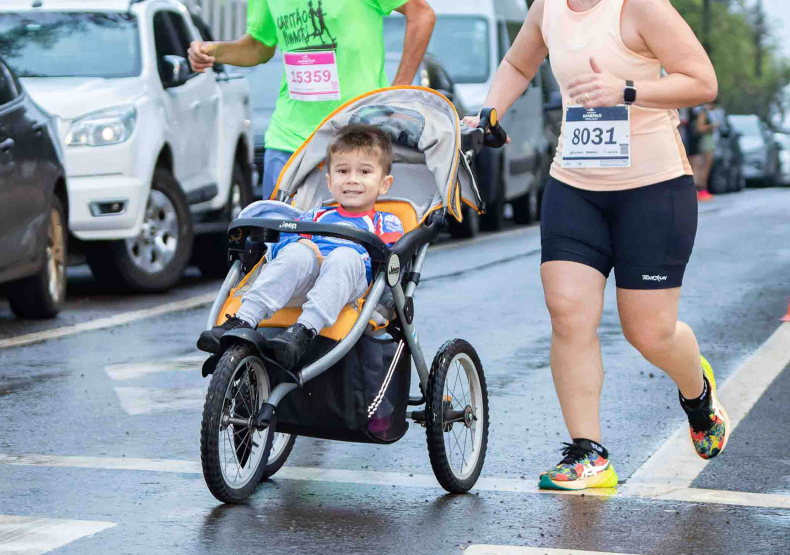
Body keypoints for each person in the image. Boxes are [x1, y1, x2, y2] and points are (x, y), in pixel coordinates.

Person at [462, 0, 730, 491]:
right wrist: (484, 114)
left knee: (649, 332)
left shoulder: (640, 7)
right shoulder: (547, 7)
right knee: (567, 312)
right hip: (575, 186)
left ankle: (698, 395)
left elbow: (702, 81)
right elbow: (518, 63)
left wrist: (626, 90)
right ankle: (589, 454)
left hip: (653, 189)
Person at [197, 124, 404, 368]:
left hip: (349, 285)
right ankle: (243, 319)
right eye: (343, 171)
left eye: (364, 172)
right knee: (296, 250)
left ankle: (304, 330)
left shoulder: (386, 221)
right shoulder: (315, 216)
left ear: (384, 184)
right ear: (329, 181)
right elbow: (281, 241)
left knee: (344, 257)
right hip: (303, 282)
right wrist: (303, 241)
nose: (352, 180)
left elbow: (391, 253)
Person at [188, 0, 435, 199]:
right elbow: (259, 46)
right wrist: (213, 51)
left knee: (348, 248)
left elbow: (422, 14)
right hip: (288, 140)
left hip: (355, 140)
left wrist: (396, 94)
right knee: (280, 245)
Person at [690, 101, 719, 201]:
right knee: (704, 168)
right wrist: (712, 126)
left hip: (709, 141)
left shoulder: (707, 113)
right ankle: (701, 191)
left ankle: (702, 191)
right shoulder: (703, 112)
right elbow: (700, 128)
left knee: (706, 168)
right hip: (706, 142)